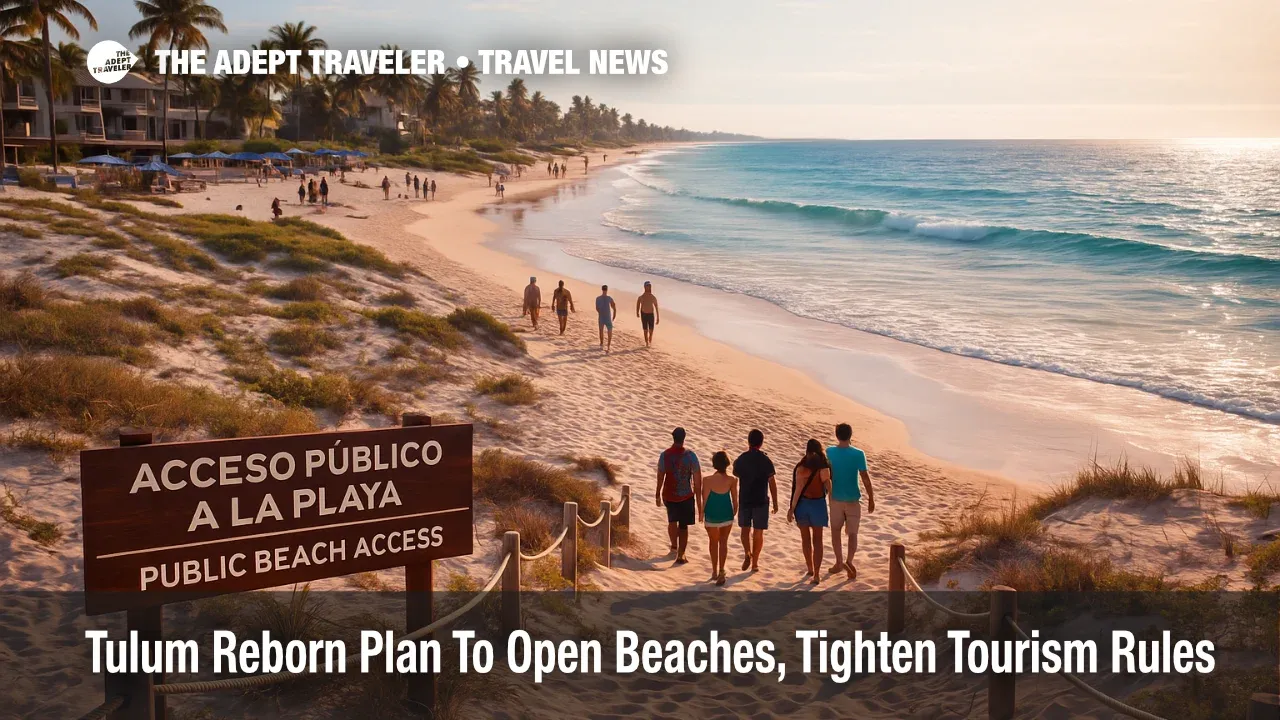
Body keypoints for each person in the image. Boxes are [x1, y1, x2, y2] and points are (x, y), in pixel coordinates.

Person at [826, 423, 875, 581]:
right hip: (853, 498)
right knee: (852, 534)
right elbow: (865, 478)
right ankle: (849, 561)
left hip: (836, 498)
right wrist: (871, 498)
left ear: (837, 435)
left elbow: (827, 475)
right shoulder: (859, 454)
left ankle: (839, 562)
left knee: (835, 531)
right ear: (850, 435)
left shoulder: (830, 452)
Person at [733, 429, 777, 573]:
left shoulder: (742, 458)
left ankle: (747, 552)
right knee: (758, 533)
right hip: (761, 500)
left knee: (745, 530)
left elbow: (735, 473)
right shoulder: (765, 460)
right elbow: (772, 482)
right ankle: (755, 564)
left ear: (748, 441)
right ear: (761, 442)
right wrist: (775, 502)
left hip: (745, 499)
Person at [656, 427, 701, 565]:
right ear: (684, 438)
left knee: (672, 521)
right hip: (686, 495)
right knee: (683, 525)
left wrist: (657, 493)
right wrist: (698, 498)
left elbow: (660, 476)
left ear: (673, 437)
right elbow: (697, 479)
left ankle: (674, 546)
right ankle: (681, 554)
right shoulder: (690, 456)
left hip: (669, 494)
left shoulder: (665, 455)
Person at [789, 439, 831, 585]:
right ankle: (817, 574)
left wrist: (792, 508)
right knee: (817, 540)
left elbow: (797, 489)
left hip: (802, 505)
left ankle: (810, 568)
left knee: (805, 539)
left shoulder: (801, 467)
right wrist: (833, 502)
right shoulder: (823, 467)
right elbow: (828, 485)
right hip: (818, 505)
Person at [701, 450, 737, 586]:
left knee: (713, 542)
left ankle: (714, 571)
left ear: (714, 464)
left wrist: (701, 513)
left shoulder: (707, 480)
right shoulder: (732, 480)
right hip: (726, 513)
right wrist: (734, 511)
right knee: (723, 542)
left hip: (712, 514)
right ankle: (722, 570)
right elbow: (735, 499)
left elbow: (704, 498)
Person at [636, 281, 659, 347]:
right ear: (644, 287)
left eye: (649, 286)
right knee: (645, 329)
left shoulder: (653, 297)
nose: (648, 287)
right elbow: (638, 304)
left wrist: (658, 317)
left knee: (651, 330)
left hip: (651, 314)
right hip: (644, 314)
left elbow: (656, 307)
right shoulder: (641, 297)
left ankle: (650, 337)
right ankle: (646, 342)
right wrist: (637, 312)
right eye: (647, 286)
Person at [595, 285, 617, 352]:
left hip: (601, 316)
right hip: (607, 317)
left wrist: (600, 313)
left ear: (602, 289)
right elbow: (614, 307)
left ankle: (601, 343)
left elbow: (597, 308)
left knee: (601, 330)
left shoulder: (598, 298)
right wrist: (614, 315)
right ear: (607, 290)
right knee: (609, 331)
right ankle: (608, 346)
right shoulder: (609, 298)